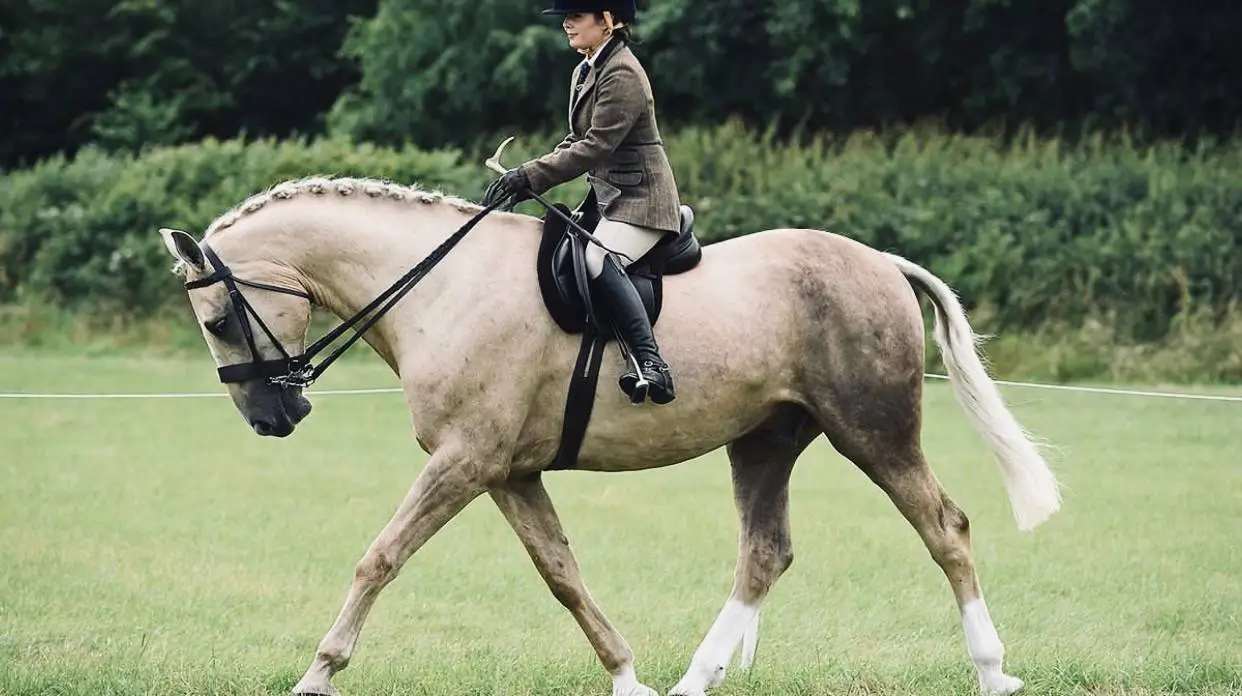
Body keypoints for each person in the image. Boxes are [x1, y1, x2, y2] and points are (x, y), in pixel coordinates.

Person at [486, 0, 681, 406]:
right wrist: (527, 174)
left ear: (607, 21)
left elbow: (596, 146)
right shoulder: (585, 68)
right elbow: (576, 140)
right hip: (609, 197)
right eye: (565, 18)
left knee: (596, 259)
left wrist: (533, 175)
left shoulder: (623, 71)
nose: (567, 25)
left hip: (642, 199)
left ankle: (651, 364)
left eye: (576, 16)